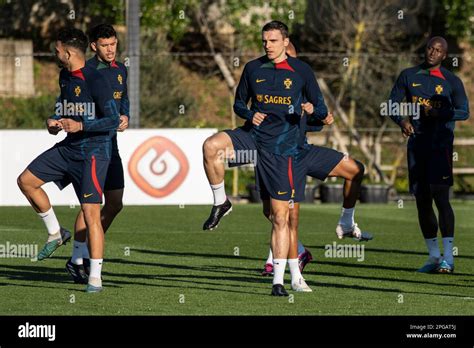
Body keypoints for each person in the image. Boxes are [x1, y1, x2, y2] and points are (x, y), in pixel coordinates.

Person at [233, 21, 369, 296]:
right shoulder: (258, 71)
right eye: (265, 42)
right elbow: (241, 105)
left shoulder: (301, 73)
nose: (269, 47)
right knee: (278, 215)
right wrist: (251, 117)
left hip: (302, 151)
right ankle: (293, 269)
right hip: (277, 154)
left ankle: (344, 221)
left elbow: (316, 112)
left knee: (355, 169)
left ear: (286, 46)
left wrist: (319, 114)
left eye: (274, 42)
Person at [17, 27, 119, 292]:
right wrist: (55, 121)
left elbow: (112, 120)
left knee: (90, 213)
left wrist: (81, 127)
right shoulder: (65, 76)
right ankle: (55, 232)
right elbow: (64, 106)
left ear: (69, 52)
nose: (55, 53)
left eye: (57, 49)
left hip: (95, 152)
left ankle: (94, 276)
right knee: (26, 181)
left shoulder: (96, 80)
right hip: (69, 148)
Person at [388, 36, 469, 273]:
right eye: (430, 48)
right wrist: (402, 121)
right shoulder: (408, 75)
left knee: (440, 197)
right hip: (417, 145)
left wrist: (438, 113)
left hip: (440, 146)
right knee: (422, 199)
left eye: (438, 50)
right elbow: (392, 103)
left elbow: (464, 112)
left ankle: (449, 258)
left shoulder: (452, 81)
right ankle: (433, 257)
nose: (433, 52)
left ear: (444, 56)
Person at [65, 24, 130, 284]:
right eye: (104, 45)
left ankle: (84, 254)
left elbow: (123, 101)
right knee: (90, 205)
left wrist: (125, 116)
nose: (111, 49)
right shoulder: (86, 72)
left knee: (115, 203)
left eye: (113, 43)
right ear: (93, 46)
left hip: (111, 145)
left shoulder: (121, 69)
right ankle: (78, 258)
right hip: (90, 147)